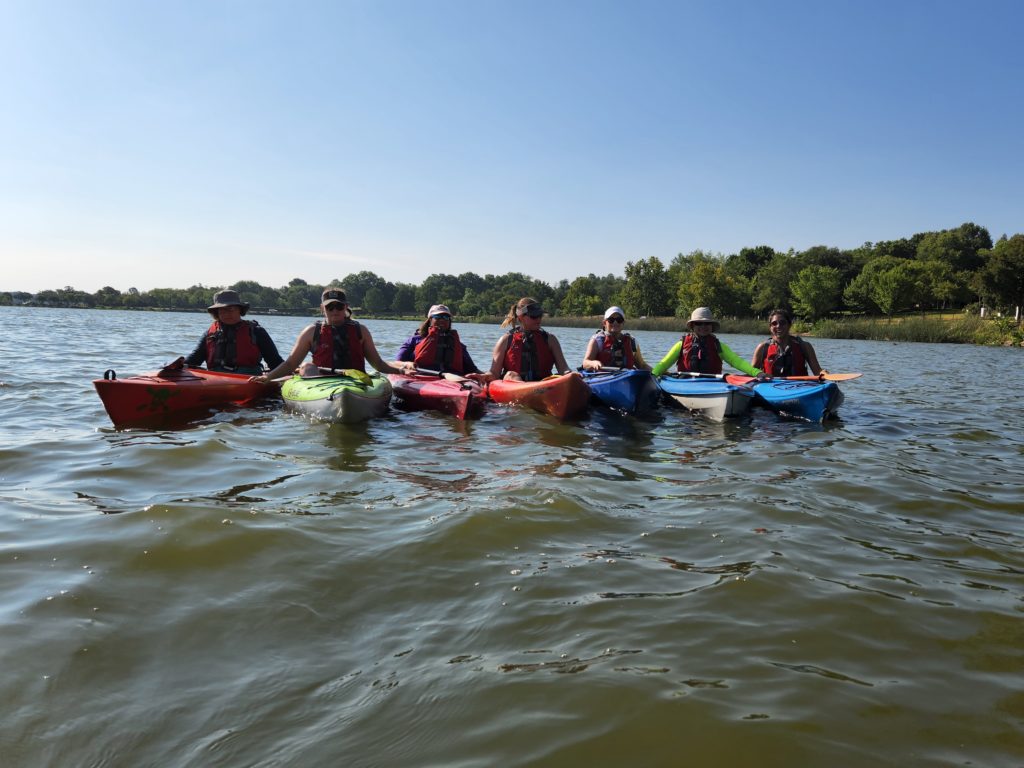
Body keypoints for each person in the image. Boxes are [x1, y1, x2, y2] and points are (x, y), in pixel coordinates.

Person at [252, 289, 415, 382]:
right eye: (330, 307)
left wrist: (401, 371)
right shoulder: (311, 332)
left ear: (346, 307)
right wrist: (268, 378)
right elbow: (289, 364)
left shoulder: (361, 330)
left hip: (355, 381)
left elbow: (378, 364)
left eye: (339, 306)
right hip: (322, 383)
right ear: (322, 309)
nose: (335, 310)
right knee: (306, 367)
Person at [182, 289, 284, 375]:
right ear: (217, 313)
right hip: (216, 379)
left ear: (240, 310)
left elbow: (275, 361)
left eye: (231, 309)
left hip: (249, 379)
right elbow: (194, 360)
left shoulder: (256, 331)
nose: (227, 314)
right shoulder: (209, 333)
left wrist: (284, 374)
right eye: (222, 310)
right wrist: (179, 367)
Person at [651, 307, 762, 377]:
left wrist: (757, 373)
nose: (703, 326)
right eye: (699, 323)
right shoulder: (681, 344)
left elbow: (737, 362)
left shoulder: (718, 345)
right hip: (685, 383)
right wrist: (653, 375)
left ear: (712, 326)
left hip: (711, 385)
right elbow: (664, 363)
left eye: (707, 323)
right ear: (692, 326)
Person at [484, 297, 571, 382]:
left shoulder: (551, 340)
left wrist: (570, 374)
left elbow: (563, 369)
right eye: (534, 316)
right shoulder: (505, 340)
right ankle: (524, 388)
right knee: (511, 374)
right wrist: (485, 376)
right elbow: (494, 373)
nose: (538, 319)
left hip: (543, 384)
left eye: (540, 315)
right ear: (520, 317)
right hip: (513, 385)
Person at [395, 304, 486, 380]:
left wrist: (486, 376)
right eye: (437, 317)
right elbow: (397, 363)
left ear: (449, 321)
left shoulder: (458, 345)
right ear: (430, 320)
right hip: (422, 377)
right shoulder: (414, 340)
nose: (442, 320)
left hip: (452, 381)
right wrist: (406, 364)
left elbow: (473, 370)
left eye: (446, 317)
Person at [751, 308, 827, 376]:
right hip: (770, 386)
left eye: (782, 323)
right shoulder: (762, 348)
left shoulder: (805, 346)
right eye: (774, 323)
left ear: (789, 325)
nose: (778, 326)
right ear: (770, 327)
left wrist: (825, 374)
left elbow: (818, 372)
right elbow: (751, 372)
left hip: (799, 386)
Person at [581, 306, 652, 371]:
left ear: (623, 323)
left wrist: (655, 373)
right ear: (604, 323)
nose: (615, 322)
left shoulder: (632, 341)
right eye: (611, 320)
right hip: (603, 377)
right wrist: (594, 363)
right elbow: (585, 363)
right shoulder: (597, 340)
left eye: (619, 320)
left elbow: (642, 365)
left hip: (627, 377)